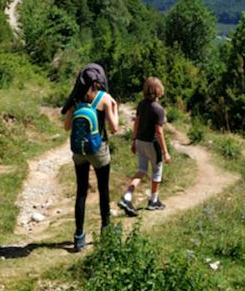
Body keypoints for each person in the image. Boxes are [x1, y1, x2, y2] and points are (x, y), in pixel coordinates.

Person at [64, 67, 118, 252]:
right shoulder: (104, 98)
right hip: (99, 149)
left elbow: (66, 127)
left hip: (79, 151)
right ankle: (106, 232)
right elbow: (114, 128)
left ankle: (79, 237)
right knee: (103, 190)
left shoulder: (75, 100)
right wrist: (114, 108)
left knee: (81, 192)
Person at [118, 76, 170, 216]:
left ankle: (127, 197)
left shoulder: (141, 104)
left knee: (141, 170)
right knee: (157, 171)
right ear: (159, 90)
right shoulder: (158, 109)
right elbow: (159, 131)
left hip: (140, 141)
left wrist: (134, 140)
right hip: (152, 144)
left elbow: (136, 123)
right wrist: (165, 152)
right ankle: (153, 201)